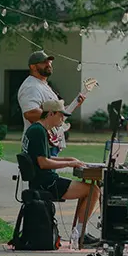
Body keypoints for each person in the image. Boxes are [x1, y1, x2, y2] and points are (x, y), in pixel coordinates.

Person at [21, 99, 101, 246]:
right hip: (47, 183)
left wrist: (68, 158)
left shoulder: (36, 129)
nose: (62, 119)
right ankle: (81, 235)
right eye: (60, 115)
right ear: (50, 113)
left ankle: (79, 233)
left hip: (40, 180)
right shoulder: (39, 131)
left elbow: (43, 157)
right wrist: (69, 163)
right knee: (93, 190)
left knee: (89, 189)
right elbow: (43, 163)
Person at [18, 50, 86, 157]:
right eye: (44, 62)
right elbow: (30, 113)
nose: (49, 64)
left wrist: (74, 104)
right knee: (41, 174)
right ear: (33, 67)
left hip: (49, 143)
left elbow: (55, 112)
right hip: (39, 143)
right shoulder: (31, 87)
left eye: (50, 62)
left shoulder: (43, 85)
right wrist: (53, 116)